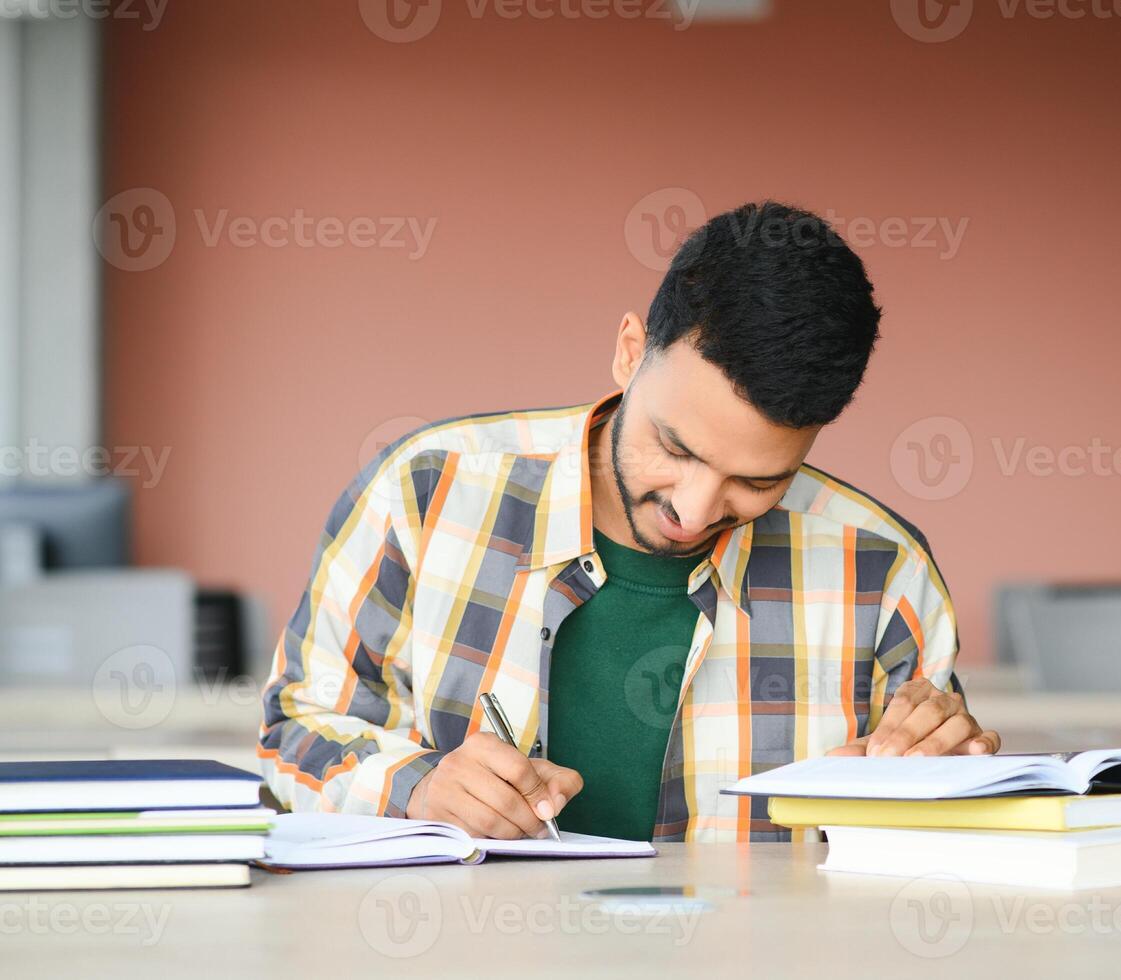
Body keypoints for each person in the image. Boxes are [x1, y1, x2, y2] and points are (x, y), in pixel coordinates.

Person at [258, 201, 999, 842]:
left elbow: (939, 832)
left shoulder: (881, 565)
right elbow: (294, 728)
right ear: (628, 352)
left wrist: (950, 772)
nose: (694, 509)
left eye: (758, 480)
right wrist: (414, 787)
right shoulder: (425, 490)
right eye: (673, 448)